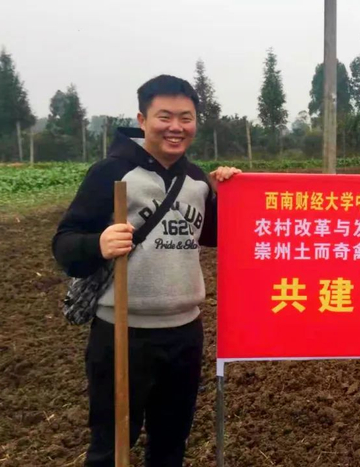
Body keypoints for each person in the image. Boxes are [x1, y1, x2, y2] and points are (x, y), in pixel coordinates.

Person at [52, 75, 240, 467]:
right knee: (111, 445)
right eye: (164, 117)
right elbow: (65, 244)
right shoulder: (110, 173)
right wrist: (98, 244)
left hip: (185, 332)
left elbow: (216, 235)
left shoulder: (196, 180)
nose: (176, 127)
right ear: (142, 120)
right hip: (122, 333)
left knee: (171, 442)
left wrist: (230, 194)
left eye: (185, 118)